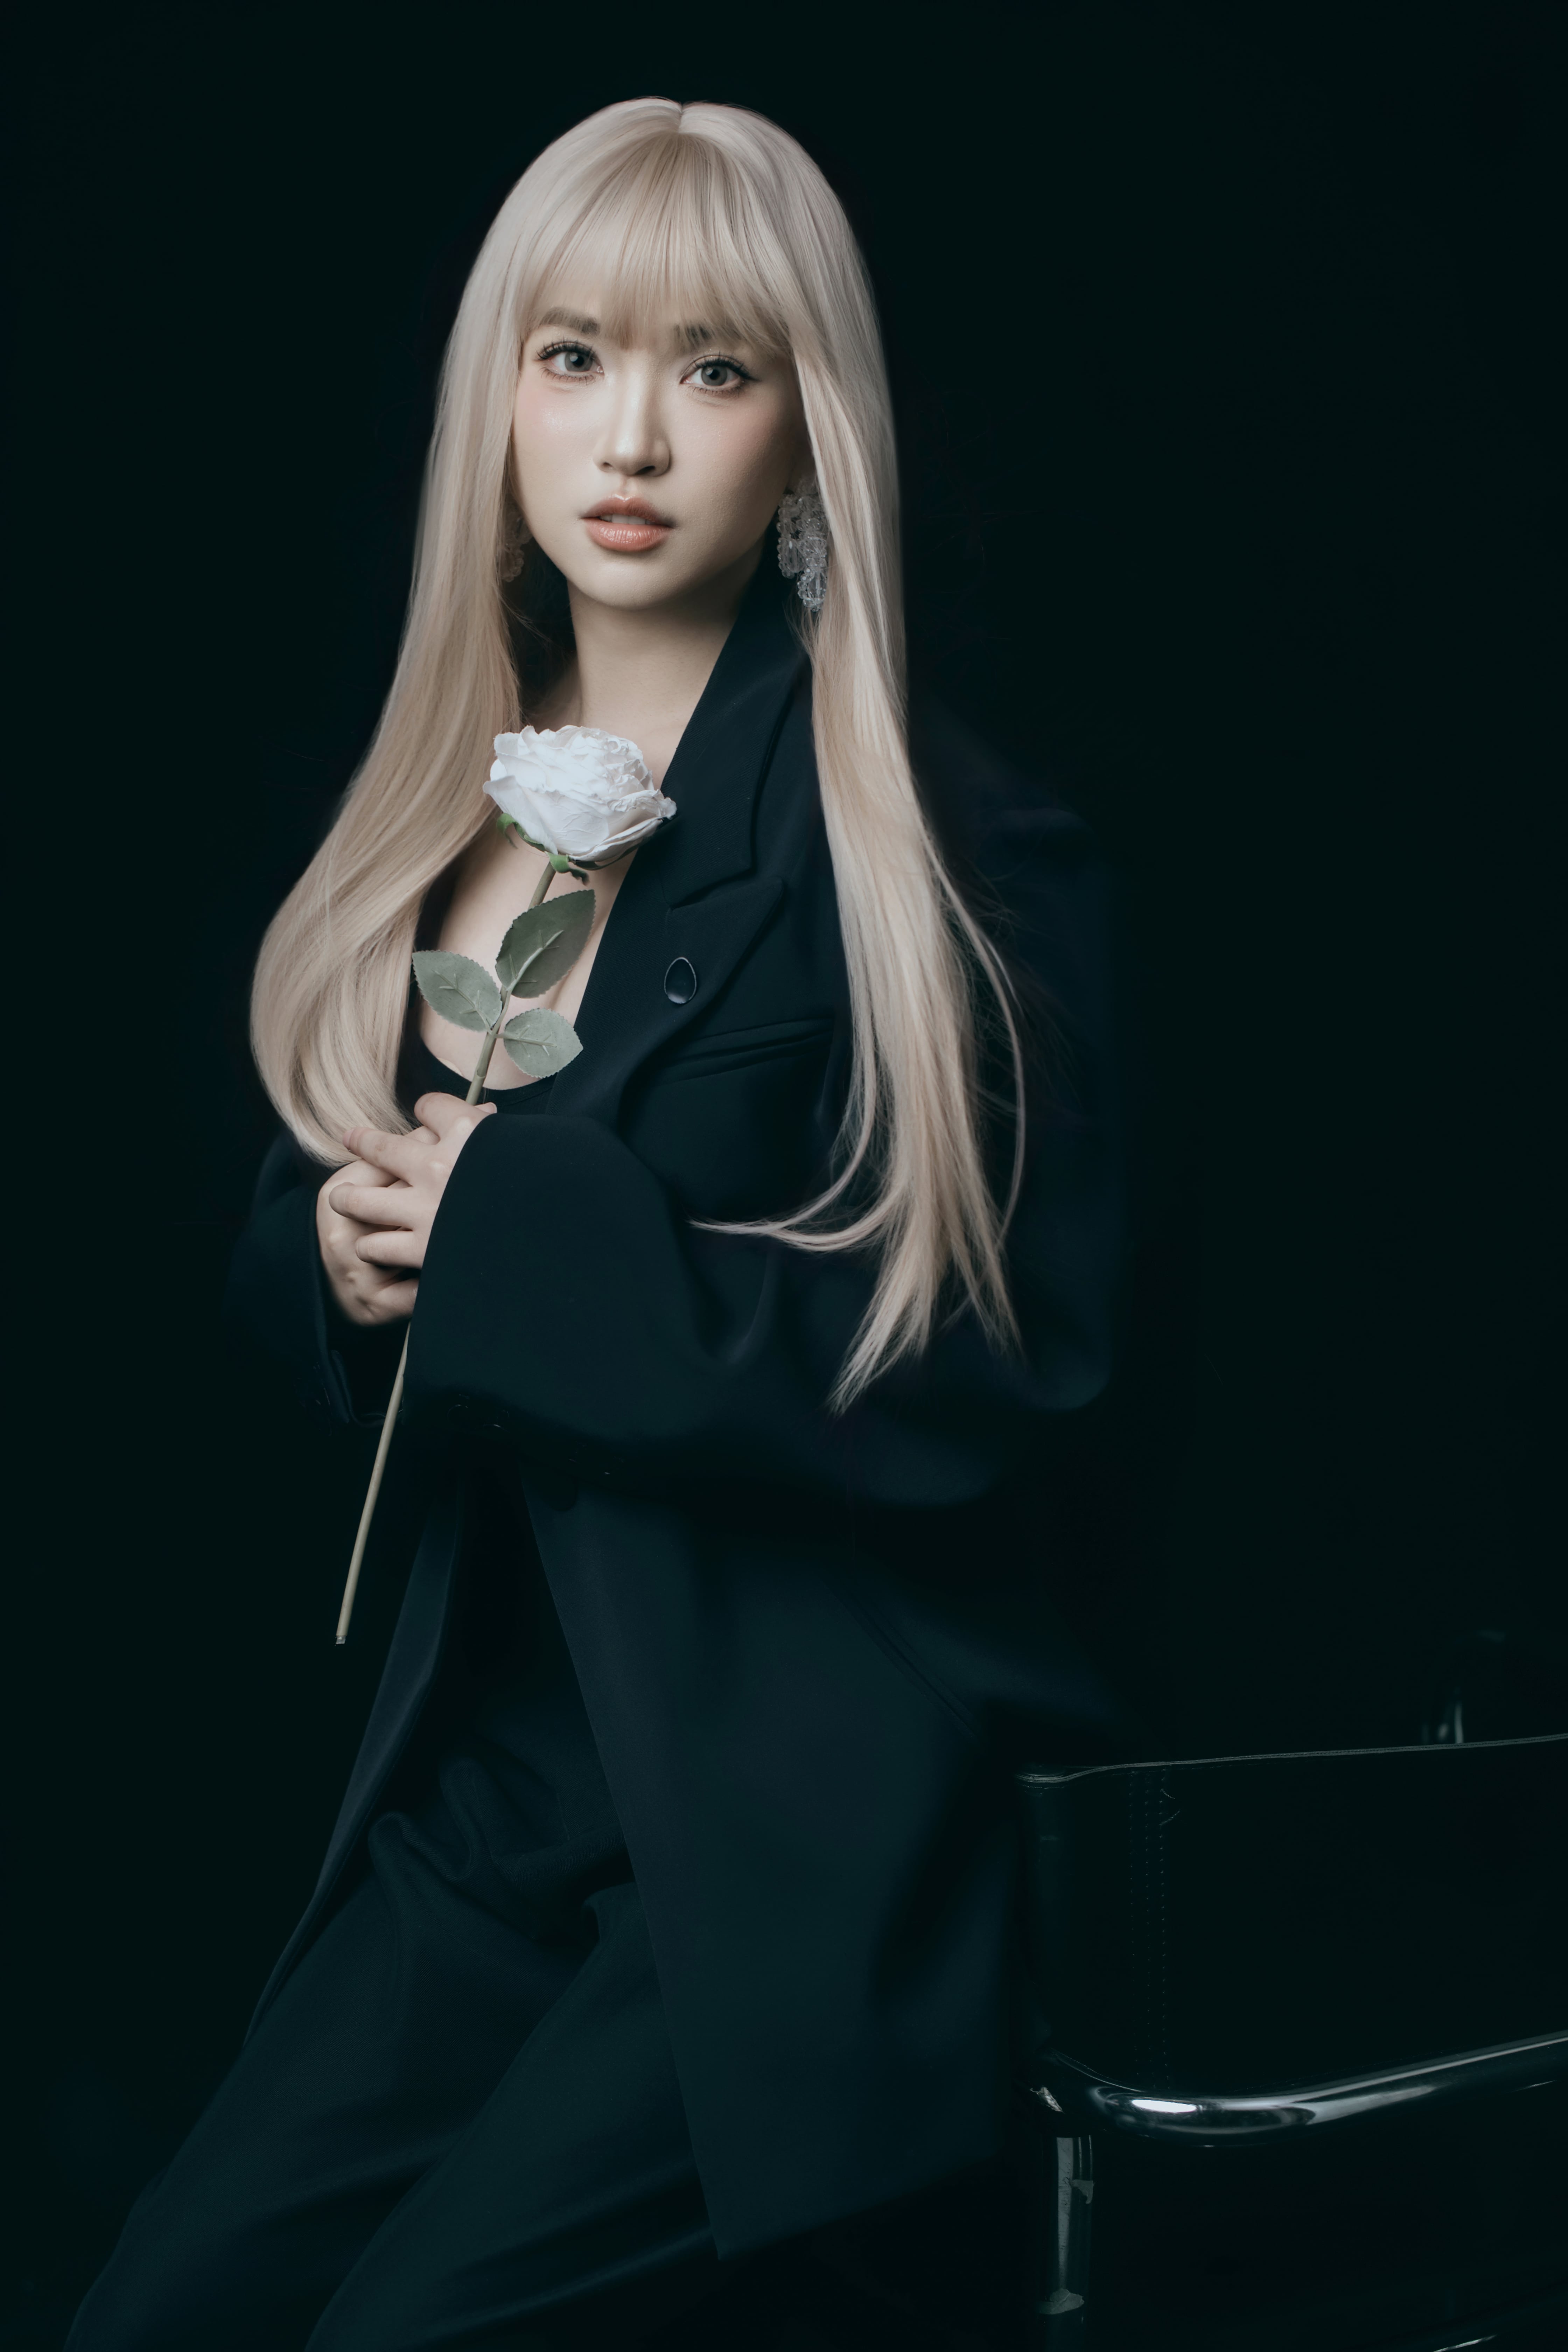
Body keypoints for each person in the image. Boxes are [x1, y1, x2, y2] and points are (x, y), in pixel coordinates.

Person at [68, 97, 1128, 2351]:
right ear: (503, 396)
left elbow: (1011, 1371)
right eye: (573, 359)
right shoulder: (448, 806)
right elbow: (340, 1212)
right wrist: (343, 1259)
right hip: (500, 1795)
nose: (631, 437)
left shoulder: (938, 848)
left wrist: (529, 1239)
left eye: (713, 369)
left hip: (792, 1818)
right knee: (164, 2313)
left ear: (806, 426)